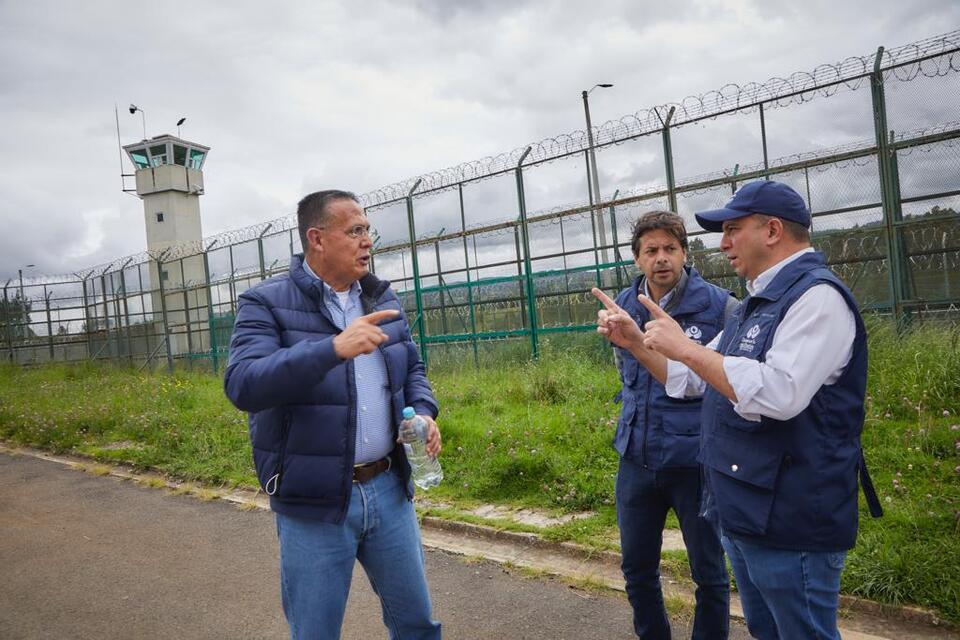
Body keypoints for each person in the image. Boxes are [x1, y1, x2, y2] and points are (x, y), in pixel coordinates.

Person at [601, 180, 882, 639]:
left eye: (732, 229)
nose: (723, 243)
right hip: (749, 509)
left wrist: (686, 349)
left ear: (772, 230)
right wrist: (636, 341)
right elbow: (686, 381)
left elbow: (778, 394)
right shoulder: (758, 302)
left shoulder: (816, 298)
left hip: (794, 518)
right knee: (765, 630)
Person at [224, 189, 442, 640]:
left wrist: (423, 412)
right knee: (316, 632)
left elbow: (413, 369)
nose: (367, 241)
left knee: (417, 624)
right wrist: (330, 349)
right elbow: (244, 384)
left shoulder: (380, 297)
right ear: (317, 239)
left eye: (368, 230)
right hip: (314, 502)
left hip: (388, 491)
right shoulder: (265, 303)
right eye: (355, 231)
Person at [592, 210, 736, 639]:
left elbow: (729, 378)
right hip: (636, 457)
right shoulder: (622, 306)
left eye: (670, 249)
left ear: (685, 253)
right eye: (651, 250)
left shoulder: (720, 306)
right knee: (637, 569)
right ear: (637, 259)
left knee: (709, 572)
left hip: (694, 462)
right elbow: (627, 375)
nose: (661, 259)